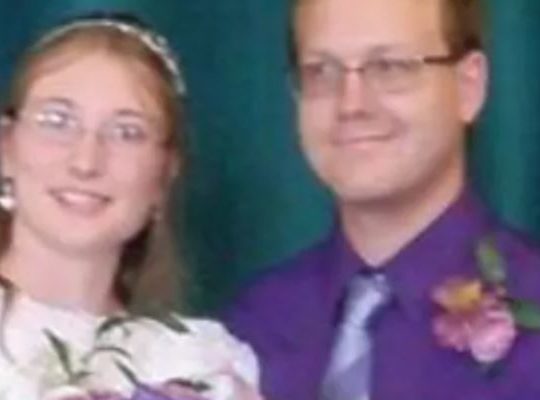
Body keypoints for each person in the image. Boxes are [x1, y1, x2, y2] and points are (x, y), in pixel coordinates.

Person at [223, 0, 540, 399]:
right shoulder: (251, 327)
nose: (351, 104)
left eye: (390, 67)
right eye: (322, 70)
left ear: (468, 87)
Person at [0, 12, 262, 400]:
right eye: (57, 121)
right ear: (6, 147)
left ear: (165, 172)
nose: (86, 162)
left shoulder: (202, 365)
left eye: (127, 132)